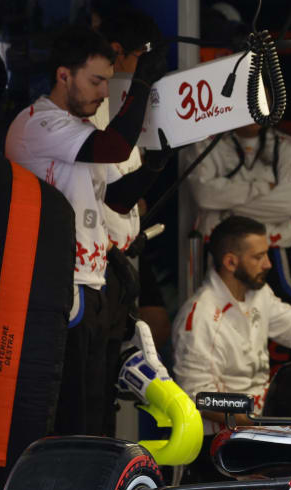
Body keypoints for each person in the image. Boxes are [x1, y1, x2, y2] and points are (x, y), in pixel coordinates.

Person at [5, 25, 170, 436]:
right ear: (64, 75)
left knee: (96, 411)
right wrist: (143, 83)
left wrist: (155, 166)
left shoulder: (78, 132)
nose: (102, 93)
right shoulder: (39, 124)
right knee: (68, 412)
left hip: (93, 283)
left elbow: (114, 199)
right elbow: (114, 148)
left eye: (107, 82)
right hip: (56, 286)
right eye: (96, 81)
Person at [173, 216, 291, 432]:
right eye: (258, 257)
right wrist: (275, 424)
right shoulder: (200, 317)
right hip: (221, 442)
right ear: (231, 262)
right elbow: (198, 398)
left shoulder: (259, 294)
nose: (268, 264)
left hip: (262, 425)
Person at [93, 9, 164, 436]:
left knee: (108, 394)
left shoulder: (117, 105)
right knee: (91, 391)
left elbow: (129, 195)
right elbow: (112, 192)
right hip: (91, 271)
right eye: (141, 57)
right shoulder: (91, 118)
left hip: (121, 267)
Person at [185, 123, 291, 301]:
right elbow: (203, 195)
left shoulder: (290, 147)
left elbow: (287, 205)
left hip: (273, 248)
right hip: (221, 247)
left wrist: (224, 204)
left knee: (279, 317)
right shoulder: (204, 144)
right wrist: (262, 188)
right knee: (217, 312)